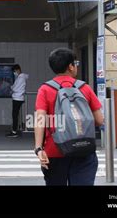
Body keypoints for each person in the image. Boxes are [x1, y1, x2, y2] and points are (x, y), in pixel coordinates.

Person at [34, 48, 104, 186]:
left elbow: (40, 120)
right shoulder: (84, 88)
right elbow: (99, 120)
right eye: (75, 63)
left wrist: (38, 148)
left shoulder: (45, 89)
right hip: (83, 149)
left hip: (55, 150)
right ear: (71, 66)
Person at [6, 64, 29, 138]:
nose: (14, 73)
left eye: (14, 71)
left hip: (17, 98)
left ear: (18, 70)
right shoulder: (21, 77)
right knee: (16, 115)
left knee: (15, 115)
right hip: (19, 98)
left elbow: (15, 88)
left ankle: (14, 131)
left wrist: (11, 87)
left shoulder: (20, 78)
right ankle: (16, 129)